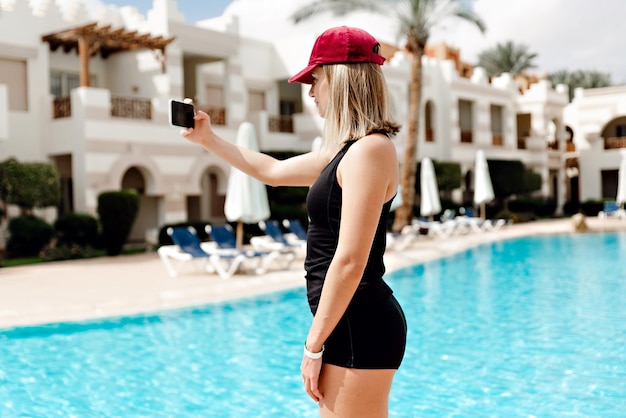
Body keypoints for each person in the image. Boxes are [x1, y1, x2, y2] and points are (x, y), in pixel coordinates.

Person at [181, 26, 407, 418]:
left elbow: (350, 261)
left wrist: (312, 348)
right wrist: (208, 140)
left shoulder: (370, 150)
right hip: (348, 321)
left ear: (339, 79)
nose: (311, 92)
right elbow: (272, 169)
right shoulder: (345, 152)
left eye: (315, 79)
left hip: (357, 323)